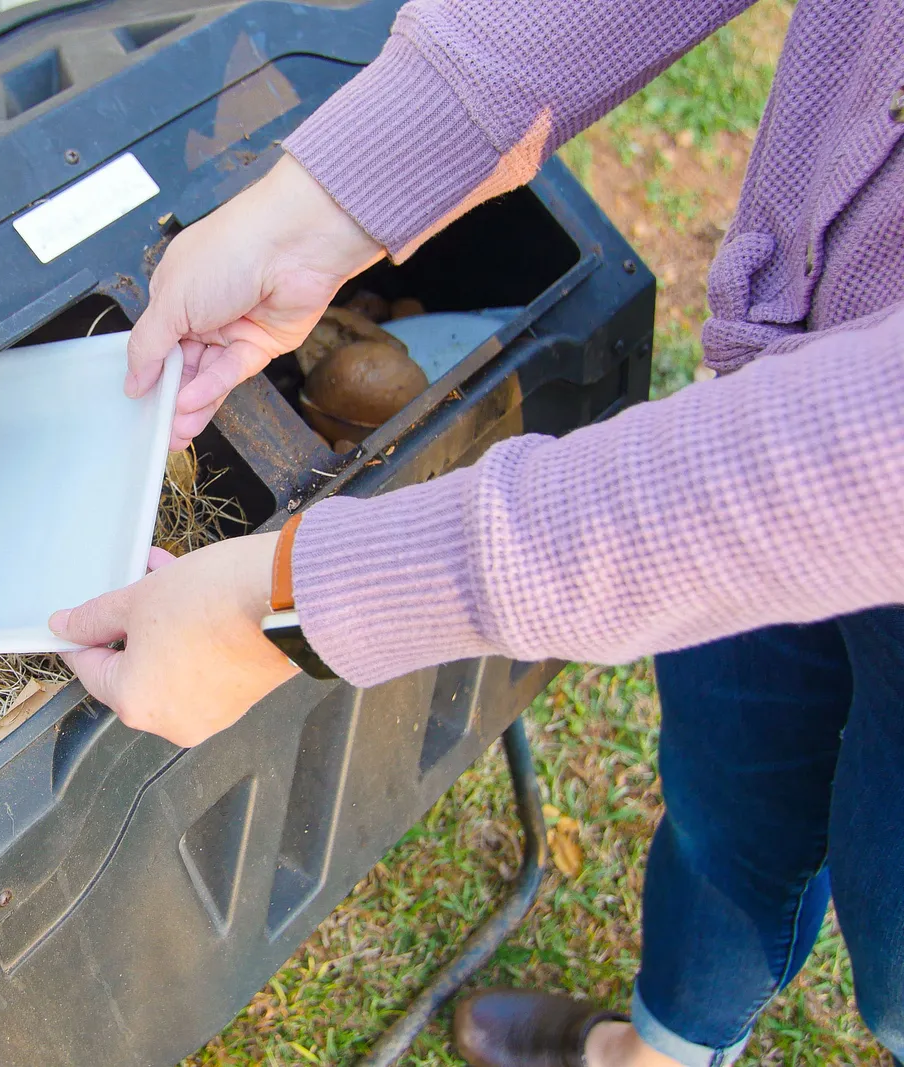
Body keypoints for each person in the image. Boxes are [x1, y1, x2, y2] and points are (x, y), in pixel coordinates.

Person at [46, 0, 904, 1063]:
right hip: (775, 402)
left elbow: (874, 457)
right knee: (729, 793)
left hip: (832, 478)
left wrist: (287, 604)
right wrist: (317, 209)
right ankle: (669, 1045)